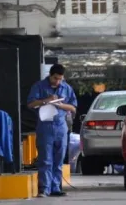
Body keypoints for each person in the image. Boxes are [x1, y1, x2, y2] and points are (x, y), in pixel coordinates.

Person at [27, 64, 77, 198]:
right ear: (50, 75)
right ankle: (44, 188)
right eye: (55, 78)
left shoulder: (66, 88)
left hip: (61, 127)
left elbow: (73, 108)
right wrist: (45, 101)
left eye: (60, 79)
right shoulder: (39, 86)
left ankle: (56, 187)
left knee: (59, 159)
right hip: (45, 126)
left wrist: (62, 105)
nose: (57, 81)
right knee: (45, 159)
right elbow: (30, 104)